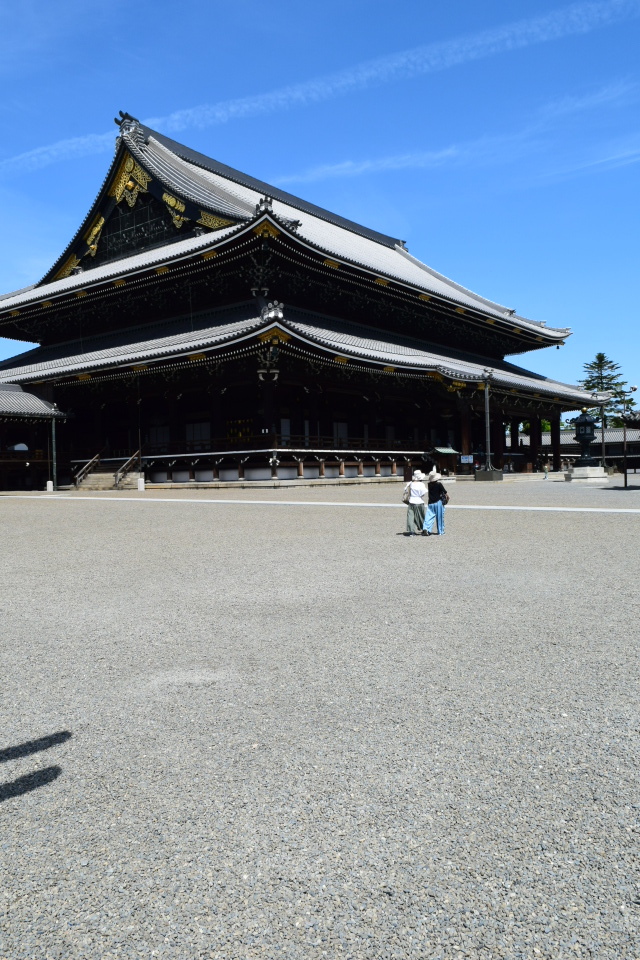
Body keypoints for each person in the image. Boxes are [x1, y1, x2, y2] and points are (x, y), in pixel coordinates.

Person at [423, 469, 448, 536]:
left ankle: (426, 528)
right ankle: (441, 531)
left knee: (429, 516)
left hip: (430, 502)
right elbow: (445, 493)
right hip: (438, 502)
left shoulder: (429, 484)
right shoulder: (439, 484)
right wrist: (447, 498)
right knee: (440, 517)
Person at [404, 470, 427, 536]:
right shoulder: (421, 484)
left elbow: (405, 490)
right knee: (421, 516)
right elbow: (423, 493)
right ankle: (424, 529)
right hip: (419, 501)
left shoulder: (410, 483)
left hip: (411, 501)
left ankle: (411, 531)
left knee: (411, 517)